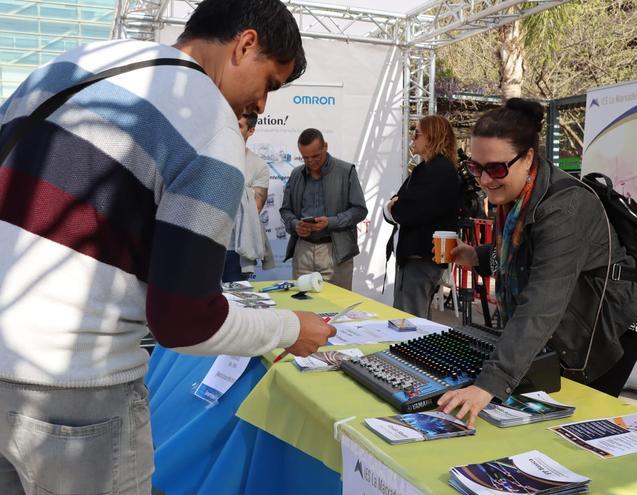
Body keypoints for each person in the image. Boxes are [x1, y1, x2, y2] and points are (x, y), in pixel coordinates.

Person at [0, 1, 337, 493]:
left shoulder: (68, 64)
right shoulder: (209, 124)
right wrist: (291, 328)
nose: (262, 105)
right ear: (245, 45)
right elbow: (184, 322)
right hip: (77, 394)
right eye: (270, 83)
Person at [436, 99, 637, 427]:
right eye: (475, 168)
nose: (484, 179)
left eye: (494, 169)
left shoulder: (566, 208)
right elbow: (521, 254)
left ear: (527, 158)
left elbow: (543, 299)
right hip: (572, 315)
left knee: (576, 424)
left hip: (611, 324)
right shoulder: (516, 193)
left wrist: (490, 383)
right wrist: (478, 256)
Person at [383, 115, 462, 318]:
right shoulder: (430, 169)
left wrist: (395, 208)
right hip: (418, 258)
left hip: (422, 259)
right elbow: (402, 203)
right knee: (410, 319)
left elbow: (408, 210)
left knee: (409, 323)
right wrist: (395, 206)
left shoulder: (438, 171)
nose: (413, 139)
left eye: (417, 134)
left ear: (431, 137)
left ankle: (409, 351)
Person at [279, 128, 367, 290]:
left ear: (325, 147)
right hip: (303, 250)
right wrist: (295, 225)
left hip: (335, 250)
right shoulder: (296, 174)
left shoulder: (346, 171)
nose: (311, 161)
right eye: (305, 158)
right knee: (302, 304)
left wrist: (330, 222)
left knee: (338, 306)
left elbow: (360, 210)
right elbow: (285, 210)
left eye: (315, 156)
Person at [223, 112, 274, 282]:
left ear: (251, 130)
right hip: (205, 244)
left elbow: (255, 208)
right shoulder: (206, 157)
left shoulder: (259, 166)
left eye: (239, 126)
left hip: (236, 251)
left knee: (234, 304)